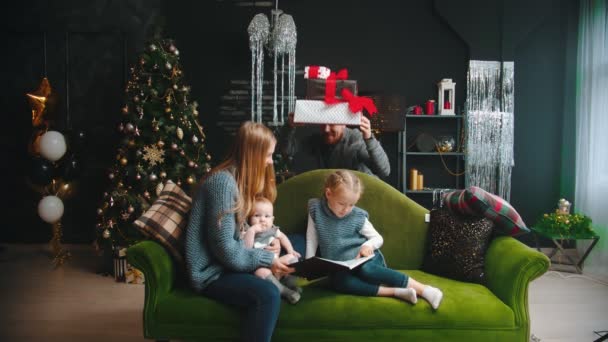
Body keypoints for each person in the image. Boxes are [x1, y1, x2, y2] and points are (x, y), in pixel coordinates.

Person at [184, 121, 295, 342]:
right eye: (268, 155)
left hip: (231, 262)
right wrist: (266, 259)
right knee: (268, 295)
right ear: (253, 155)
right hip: (213, 272)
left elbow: (239, 235)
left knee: (296, 244)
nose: (270, 161)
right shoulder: (222, 184)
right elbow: (225, 250)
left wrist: (270, 244)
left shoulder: (237, 180)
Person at [305, 169, 443, 309]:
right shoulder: (315, 209)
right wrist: (309, 265)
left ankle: (424, 289)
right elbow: (312, 238)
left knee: (367, 271)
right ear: (329, 194)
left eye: (352, 205)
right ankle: (396, 292)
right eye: (342, 204)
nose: (346, 209)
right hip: (341, 267)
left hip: (366, 259)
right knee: (339, 282)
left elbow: (378, 238)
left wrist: (368, 246)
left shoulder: (357, 216)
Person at [280, 113, 390, 178]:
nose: (326, 129)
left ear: (344, 123)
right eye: (323, 123)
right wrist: (289, 127)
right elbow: (287, 152)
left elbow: (384, 171)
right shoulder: (318, 139)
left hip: (364, 196)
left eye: (332, 123)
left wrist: (369, 138)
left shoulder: (356, 141)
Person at [242, 196, 302, 304]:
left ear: (272, 219)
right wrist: (252, 231)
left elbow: (283, 237)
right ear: (250, 218)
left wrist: (290, 250)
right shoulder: (248, 231)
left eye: (267, 216)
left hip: (277, 264)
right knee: (261, 273)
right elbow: (246, 249)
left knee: (293, 258)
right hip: (261, 267)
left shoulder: (272, 229)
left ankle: (290, 283)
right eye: (257, 215)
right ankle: (285, 291)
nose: (262, 219)